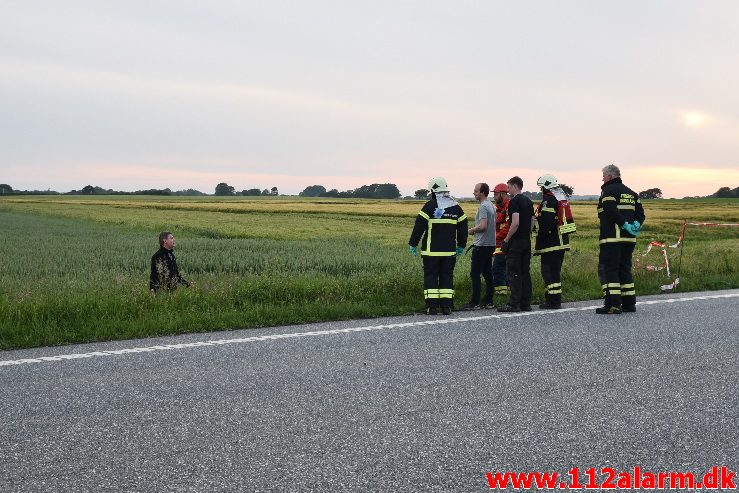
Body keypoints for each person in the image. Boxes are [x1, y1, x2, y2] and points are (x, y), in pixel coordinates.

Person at [408, 177, 468, 315]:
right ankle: (447, 307)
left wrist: (413, 244)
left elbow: (419, 226)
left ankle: (432, 307)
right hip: (449, 252)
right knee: (447, 276)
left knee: (431, 277)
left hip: (431, 252)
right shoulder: (456, 208)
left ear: (433, 191)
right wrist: (461, 245)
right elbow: (463, 228)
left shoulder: (429, 206)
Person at [596, 164, 645, 314]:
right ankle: (629, 304)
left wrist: (623, 224)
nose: (603, 178)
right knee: (625, 270)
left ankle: (613, 305)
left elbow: (611, 210)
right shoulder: (631, 193)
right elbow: (641, 213)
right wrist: (635, 224)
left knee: (609, 270)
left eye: (604, 175)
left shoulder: (608, 191)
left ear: (610, 176)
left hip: (612, 238)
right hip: (629, 239)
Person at [534, 174, 572, 309]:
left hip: (551, 242)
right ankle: (554, 300)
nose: (541, 191)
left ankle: (552, 301)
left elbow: (547, 223)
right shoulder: (561, 197)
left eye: (541, 188)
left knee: (548, 271)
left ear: (546, 186)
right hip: (562, 240)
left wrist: (540, 239)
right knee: (555, 271)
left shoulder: (549, 200)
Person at [498, 176, 535, 312]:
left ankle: (514, 304)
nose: (507, 190)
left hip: (516, 242)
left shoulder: (514, 202)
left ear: (514, 186)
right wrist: (527, 234)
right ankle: (526, 303)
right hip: (526, 241)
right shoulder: (528, 201)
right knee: (525, 272)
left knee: (513, 272)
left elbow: (515, 222)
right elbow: (532, 221)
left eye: (508, 187)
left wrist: (506, 239)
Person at [463, 183, 496, 310]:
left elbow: (483, 226)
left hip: (481, 245)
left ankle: (475, 302)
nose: (474, 193)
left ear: (482, 192)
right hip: (491, 244)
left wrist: (471, 230)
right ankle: (489, 301)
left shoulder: (483, 207)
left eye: (476, 191)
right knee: (488, 273)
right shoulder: (491, 205)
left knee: (475, 273)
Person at [492, 183, 511, 303]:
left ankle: (501, 293)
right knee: (504, 268)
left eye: (495, 194)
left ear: (502, 194)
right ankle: (507, 291)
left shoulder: (508, 205)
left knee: (498, 268)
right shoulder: (498, 207)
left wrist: (497, 237)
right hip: (499, 243)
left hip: (503, 242)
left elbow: (508, 226)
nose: (494, 196)